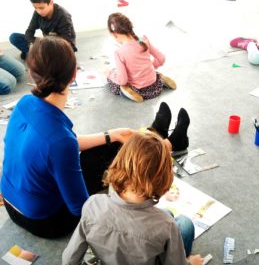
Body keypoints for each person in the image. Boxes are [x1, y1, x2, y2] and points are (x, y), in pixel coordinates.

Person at [1, 36, 190, 239]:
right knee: (114, 161)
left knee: (113, 143)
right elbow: (81, 208)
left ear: (31, 72)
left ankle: (155, 134)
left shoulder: (25, 102)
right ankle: (169, 144)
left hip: (13, 206)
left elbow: (61, 143)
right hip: (46, 221)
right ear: (74, 74)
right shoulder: (60, 141)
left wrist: (111, 135)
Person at [62, 132, 204, 265]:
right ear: (163, 180)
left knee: (168, 216)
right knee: (184, 224)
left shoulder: (92, 205)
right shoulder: (164, 225)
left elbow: (69, 262)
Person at [106, 12, 176, 102]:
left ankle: (129, 91)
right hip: (155, 86)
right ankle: (161, 79)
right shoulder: (143, 40)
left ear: (114, 34)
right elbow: (161, 58)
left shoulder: (119, 52)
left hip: (139, 90)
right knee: (152, 72)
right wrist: (152, 65)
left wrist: (110, 74)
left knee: (113, 80)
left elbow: (123, 80)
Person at [9, 0, 76, 60]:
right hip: (46, 43)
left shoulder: (63, 15)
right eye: (35, 7)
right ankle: (37, 55)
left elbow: (67, 42)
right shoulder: (37, 12)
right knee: (14, 37)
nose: (39, 11)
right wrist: (32, 44)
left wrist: (46, 46)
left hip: (61, 47)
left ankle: (37, 56)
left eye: (41, 8)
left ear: (51, 2)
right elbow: (29, 31)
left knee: (57, 56)